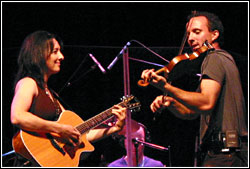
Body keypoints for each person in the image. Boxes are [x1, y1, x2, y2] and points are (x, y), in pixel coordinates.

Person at [140, 11, 248, 167]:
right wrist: (171, 103)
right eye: (189, 33)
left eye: (197, 32)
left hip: (223, 153)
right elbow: (192, 112)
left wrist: (166, 87)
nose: (190, 38)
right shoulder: (221, 59)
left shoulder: (214, 58)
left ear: (214, 34)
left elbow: (206, 103)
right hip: (227, 152)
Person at [10, 30, 127, 167]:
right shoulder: (29, 83)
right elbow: (17, 116)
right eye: (55, 51)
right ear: (39, 54)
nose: (61, 56)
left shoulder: (53, 96)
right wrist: (59, 128)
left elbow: (79, 136)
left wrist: (114, 129)